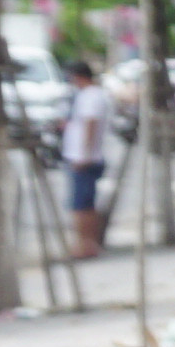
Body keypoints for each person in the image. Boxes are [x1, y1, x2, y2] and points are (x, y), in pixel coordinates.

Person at [57, 52, 109, 262]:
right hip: (83, 155)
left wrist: (85, 155)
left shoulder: (91, 96)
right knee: (85, 203)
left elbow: (91, 125)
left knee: (81, 206)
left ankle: (85, 244)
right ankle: (87, 243)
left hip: (84, 158)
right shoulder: (87, 96)